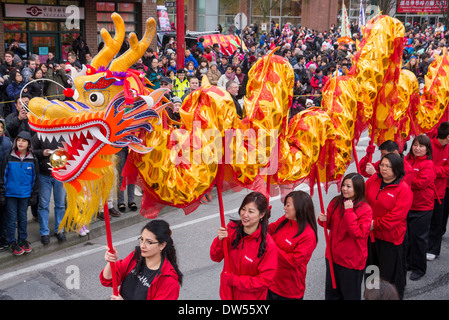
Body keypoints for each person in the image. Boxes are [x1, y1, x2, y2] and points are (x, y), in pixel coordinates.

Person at [210, 192, 278, 300]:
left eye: (251, 211)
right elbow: (215, 257)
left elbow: (264, 281)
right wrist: (219, 240)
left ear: (261, 214)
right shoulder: (231, 229)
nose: (245, 214)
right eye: (243, 209)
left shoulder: (267, 245)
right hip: (227, 295)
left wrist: (234, 280)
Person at [365, 153, 413, 299]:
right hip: (371, 236)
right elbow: (363, 198)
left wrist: (374, 224)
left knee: (389, 276)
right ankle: (370, 296)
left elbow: (395, 218)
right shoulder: (374, 180)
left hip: (391, 240)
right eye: (382, 165)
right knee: (372, 271)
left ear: (397, 169)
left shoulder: (404, 190)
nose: (383, 168)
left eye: (387, 166)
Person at [318, 173, 372, 300]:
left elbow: (358, 234)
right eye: (343, 185)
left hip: (351, 261)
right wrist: (323, 220)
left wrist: (349, 211)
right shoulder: (336, 202)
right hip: (333, 256)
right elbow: (331, 225)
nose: (344, 189)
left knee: (350, 295)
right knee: (331, 293)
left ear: (358, 189)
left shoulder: (365, 209)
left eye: (349, 186)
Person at [100, 220, 182, 300]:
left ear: (162, 245)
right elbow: (108, 280)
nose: (142, 246)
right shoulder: (136, 256)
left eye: (149, 242)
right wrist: (111, 261)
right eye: (142, 239)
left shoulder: (168, 280)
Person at [267, 190, 317, 300]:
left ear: (300, 207)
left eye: (288, 205)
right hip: (270, 282)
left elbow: (293, 261)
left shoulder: (308, 235)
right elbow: (269, 230)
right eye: (285, 204)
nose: (284, 208)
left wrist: (271, 247)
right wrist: (262, 218)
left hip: (288, 290)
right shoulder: (285, 219)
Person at [0, 131, 39, 256]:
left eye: (24, 141)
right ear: (15, 142)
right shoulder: (9, 157)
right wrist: (2, 194)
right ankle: (12, 242)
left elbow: (35, 179)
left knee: (22, 219)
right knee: (11, 220)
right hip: (11, 194)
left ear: (29, 144)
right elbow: (2, 177)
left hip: (25, 194)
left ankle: (22, 240)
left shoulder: (33, 159)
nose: (20, 143)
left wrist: (33, 195)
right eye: (19, 140)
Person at [403, 134, 435, 280]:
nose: (417, 148)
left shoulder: (429, 164)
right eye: (415, 145)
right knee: (408, 237)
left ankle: (419, 268)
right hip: (407, 205)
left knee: (419, 239)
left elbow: (420, 184)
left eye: (421, 146)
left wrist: (407, 179)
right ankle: (409, 262)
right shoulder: (407, 160)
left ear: (427, 149)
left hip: (423, 207)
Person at [31, 132, 67, 245]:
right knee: (43, 205)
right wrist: (42, 153)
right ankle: (44, 233)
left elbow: (72, 150)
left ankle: (59, 230)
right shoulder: (39, 134)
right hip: (44, 175)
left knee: (60, 204)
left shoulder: (63, 134)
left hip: (60, 174)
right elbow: (31, 150)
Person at [427, 122, 449, 261]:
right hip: (425, 190)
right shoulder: (427, 145)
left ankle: (433, 249)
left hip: (440, 190)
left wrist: (434, 170)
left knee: (437, 221)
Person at [0, 118, 11, 250]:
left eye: (1, 127)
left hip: (4, 181)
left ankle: (3, 236)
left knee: (4, 211)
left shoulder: (8, 142)